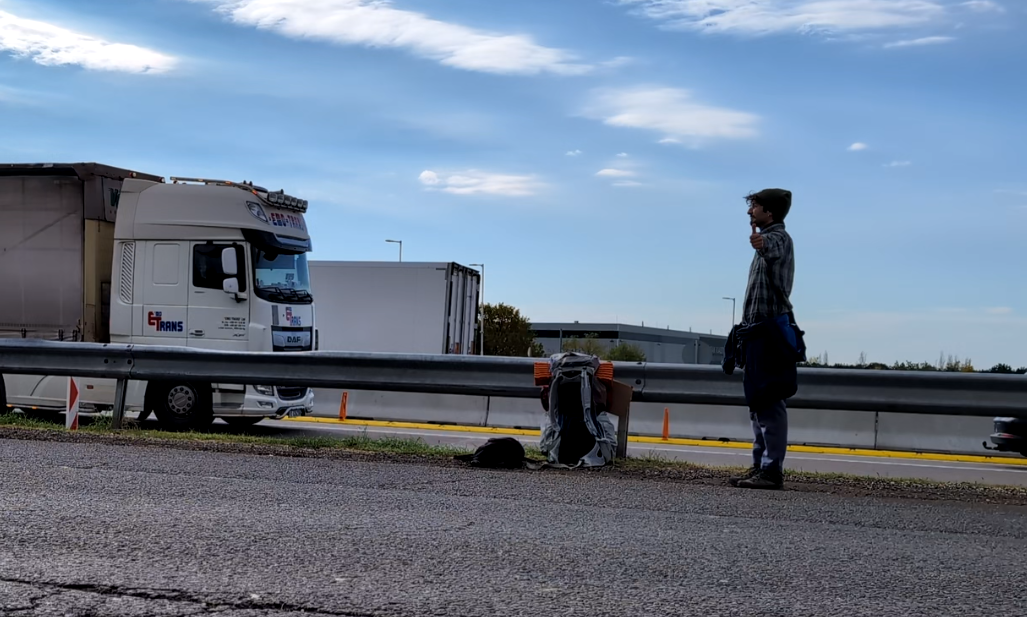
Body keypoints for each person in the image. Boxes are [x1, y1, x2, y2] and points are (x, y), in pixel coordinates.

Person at [723, 188, 805, 490]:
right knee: (759, 403)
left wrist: (761, 242)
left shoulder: (779, 238)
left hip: (769, 332)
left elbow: (770, 246)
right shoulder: (771, 239)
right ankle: (760, 466)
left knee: (769, 401)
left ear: (769, 212)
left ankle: (771, 471)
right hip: (758, 332)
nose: (750, 211)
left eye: (755, 206)